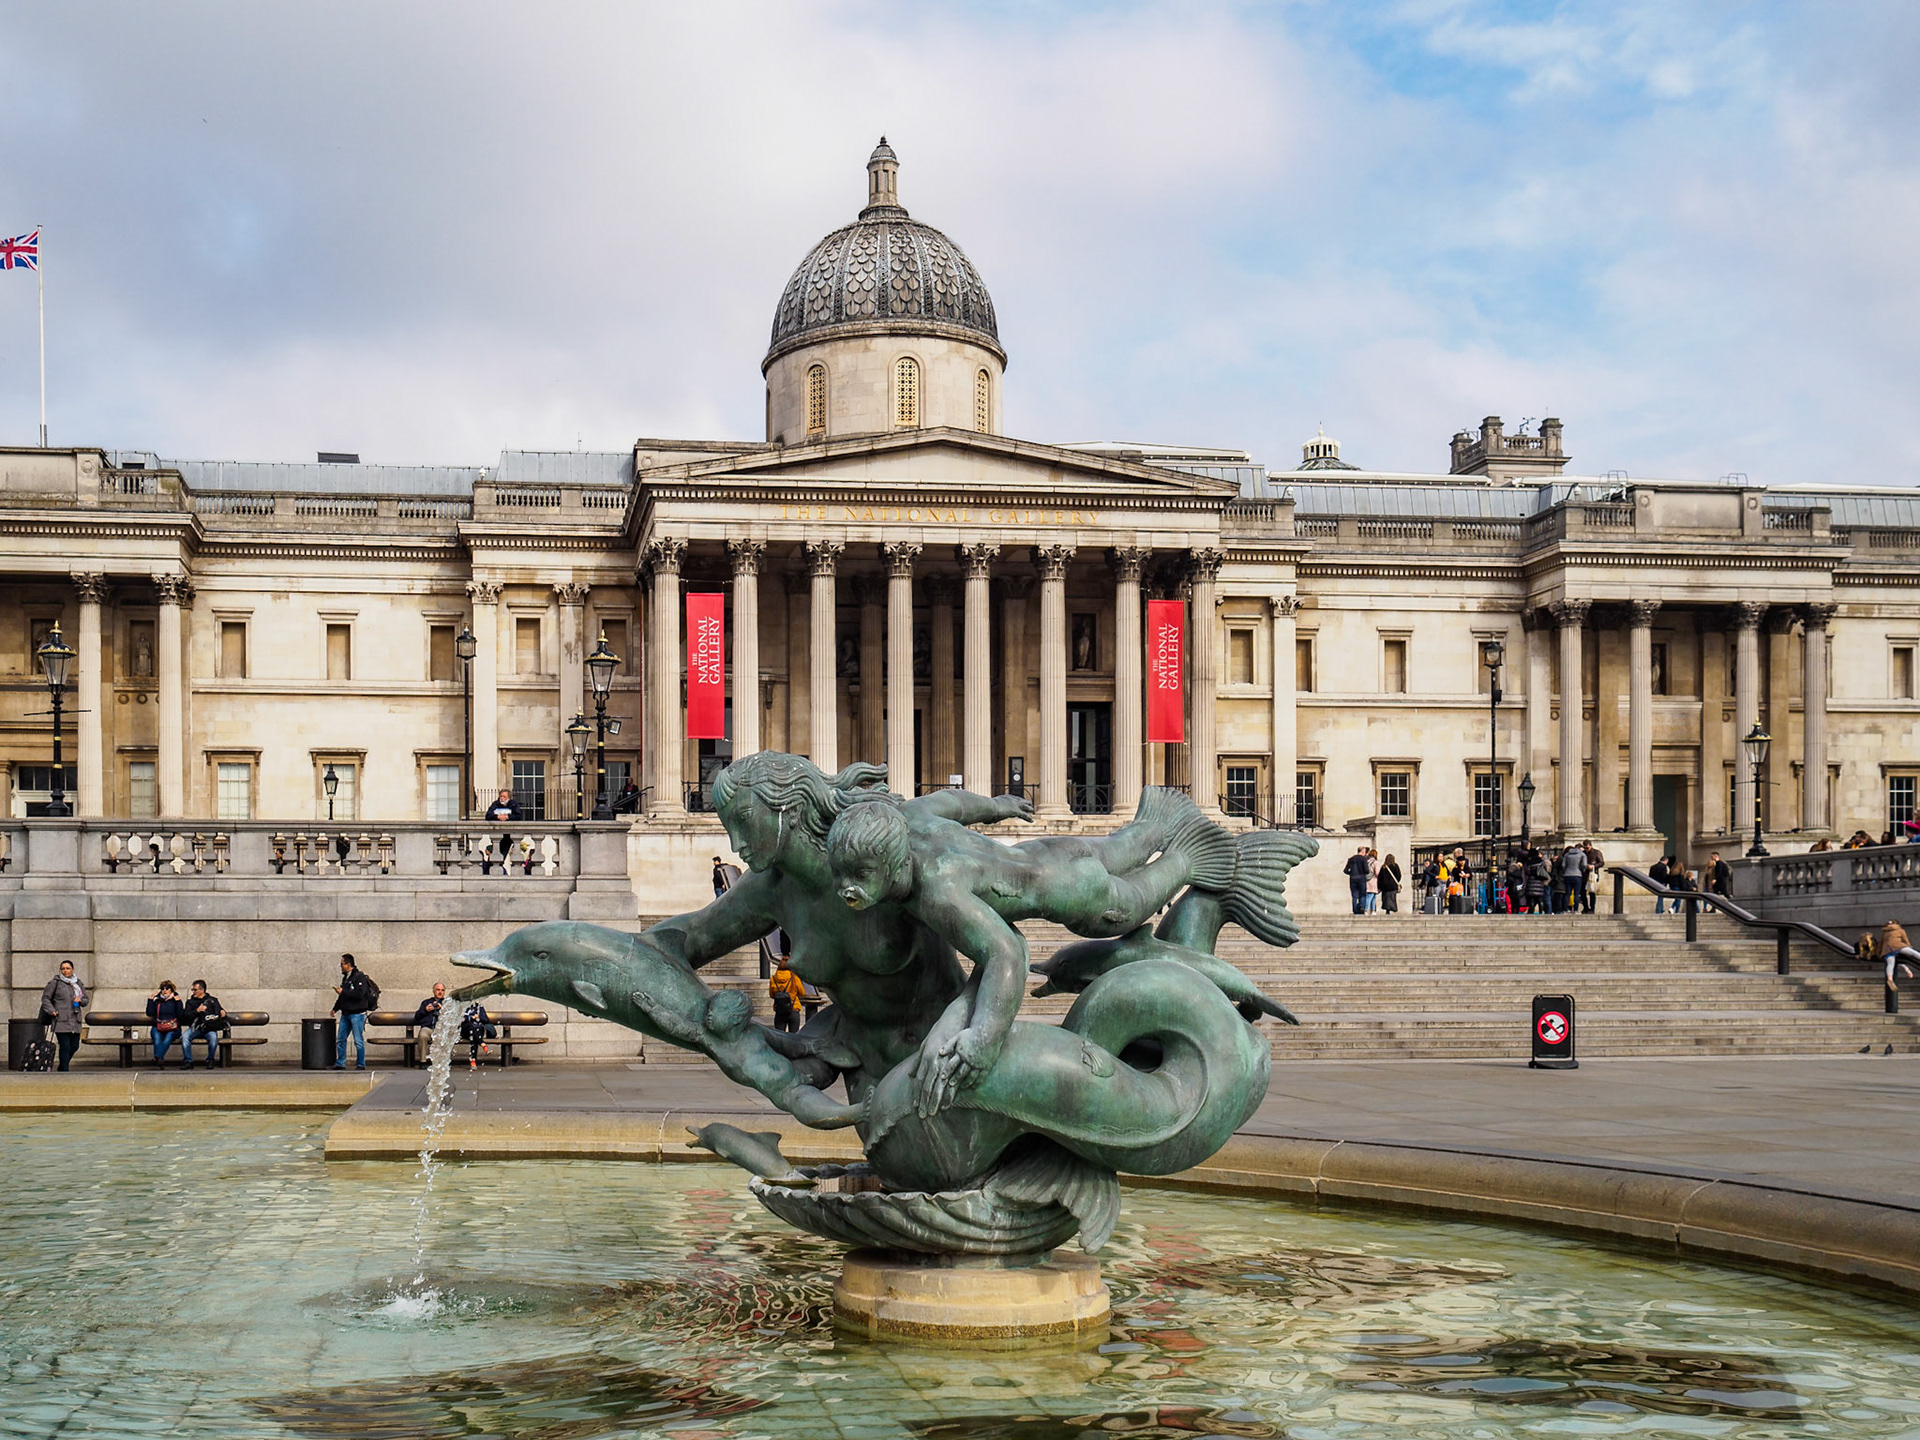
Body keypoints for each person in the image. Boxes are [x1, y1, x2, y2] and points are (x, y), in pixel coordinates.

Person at [331, 953, 379, 1070]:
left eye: (342, 964)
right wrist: (335, 1008)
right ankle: (340, 1062)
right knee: (341, 1039)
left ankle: (361, 1063)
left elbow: (359, 994)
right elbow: (342, 997)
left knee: (358, 1040)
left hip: (357, 1014)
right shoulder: (346, 978)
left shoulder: (359, 977)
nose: (341, 966)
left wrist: (343, 992)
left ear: (348, 964)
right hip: (346, 1013)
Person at [38, 960, 87, 1073]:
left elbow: (86, 1000)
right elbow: (45, 998)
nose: (65, 971)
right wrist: (52, 1010)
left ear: (72, 969)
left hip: (75, 1020)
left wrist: (80, 1000)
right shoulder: (55, 983)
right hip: (60, 1019)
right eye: (63, 968)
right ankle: (64, 1070)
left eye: (67, 968)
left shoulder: (78, 983)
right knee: (64, 1046)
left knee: (74, 1046)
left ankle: (62, 1066)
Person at [181, 979, 227, 1069]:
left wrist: (223, 1013)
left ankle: (210, 1060)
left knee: (213, 1038)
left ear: (202, 990)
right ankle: (188, 1061)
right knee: (185, 1036)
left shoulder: (213, 1000)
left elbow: (220, 1012)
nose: (193, 992)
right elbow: (186, 1016)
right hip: (196, 1028)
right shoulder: (190, 1002)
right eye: (193, 990)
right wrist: (197, 1011)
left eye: (195, 990)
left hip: (209, 1028)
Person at [146, 980, 188, 1067]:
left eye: (167, 988)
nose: (164, 990)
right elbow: (149, 1013)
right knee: (157, 1038)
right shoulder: (157, 1000)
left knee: (168, 1037)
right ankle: (160, 1060)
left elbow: (180, 1015)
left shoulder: (175, 1000)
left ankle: (157, 1057)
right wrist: (150, 1000)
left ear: (171, 990)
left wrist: (178, 1002)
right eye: (162, 988)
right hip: (158, 1026)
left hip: (173, 1027)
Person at [1880, 920, 1919, 997]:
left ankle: (1890, 979)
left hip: (1887, 950)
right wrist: (1908, 946)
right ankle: (1908, 970)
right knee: (1914, 953)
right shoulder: (1900, 930)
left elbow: (1881, 943)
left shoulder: (1885, 932)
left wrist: (1879, 952)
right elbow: (1906, 940)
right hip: (1898, 947)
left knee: (1891, 964)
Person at [485, 788, 520, 874]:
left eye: (504, 796)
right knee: (493, 859)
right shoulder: (495, 804)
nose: (502, 798)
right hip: (496, 835)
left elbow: (518, 816)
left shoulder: (513, 805)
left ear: (509, 798)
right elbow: (488, 815)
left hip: (507, 837)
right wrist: (498, 817)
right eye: (501, 796)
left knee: (500, 858)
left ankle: (502, 874)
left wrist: (508, 817)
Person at [458, 1000, 496, 1070]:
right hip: (465, 1031)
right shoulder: (462, 1006)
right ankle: (481, 1046)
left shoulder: (479, 1007)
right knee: (471, 1027)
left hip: (477, 1031)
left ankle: (474, 1059)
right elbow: (459, 1019)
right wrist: (470, 1018)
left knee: (474, 1032)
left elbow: (486, 1020)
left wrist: (478, 1017)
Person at [769, 960, 804, 1033]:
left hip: (780, 1010)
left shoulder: (773, 979)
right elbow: (802, 993)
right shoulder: (794, 978)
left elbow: (772, 995)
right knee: (793, 1036)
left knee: (780, 1035)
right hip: (793, 1008)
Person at [1559, 844, 1588, 915]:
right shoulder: (1582, 855)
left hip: (1567, 874)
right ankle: (1575, 910)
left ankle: (1565, 910)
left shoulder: (1567, 854)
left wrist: (1566, 871)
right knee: (1576, 894)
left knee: (1567, 893)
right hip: (1577, 874)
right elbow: (1584, 865)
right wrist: (1582, 870)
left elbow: (1563, 865)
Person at [1344, 845, 1371, 915]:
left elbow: (1345, 870)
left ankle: (1355, 909)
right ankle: (1361, 907)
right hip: (1361, 878)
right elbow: (1366, 870)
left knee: (1354, 895)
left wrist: (1351, 873)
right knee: (1362, 894)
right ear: (1363, 852)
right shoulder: (1363, 859)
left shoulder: (1351, 859)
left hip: (1353, 878)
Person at [1525, 848, 1551, 917]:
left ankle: (1531, 911)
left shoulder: (1529, 862)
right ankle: (1541, 911)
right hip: (1539, 881)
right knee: (1540, 898)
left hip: (1531, 881)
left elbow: (1527, 871)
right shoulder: (1541, 861)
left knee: (1532, 899)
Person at [1581, 842, 1604, 914]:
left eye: (1587, 848)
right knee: (1582, 892)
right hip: (1583, 874)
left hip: (1592, 874)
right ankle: (1585, 907)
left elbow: (1601, 863)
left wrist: (1593, 866)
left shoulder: (1596, 853)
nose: (1586, 850)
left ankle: (1592, 908)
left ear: (1591, 846)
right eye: (1585, 848)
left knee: (1592, 891)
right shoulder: (1583, 853)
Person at [1363, 848, 1380, 914]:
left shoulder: (1367, 861)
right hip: (1373, 880)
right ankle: (1366, 910)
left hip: (1367, 880)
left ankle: (1373, 910)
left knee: (1372, 896)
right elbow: (1377, 872)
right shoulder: (1375, 862)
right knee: (1370, 896)